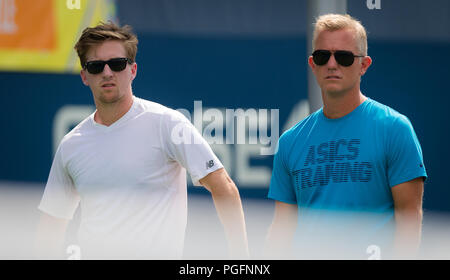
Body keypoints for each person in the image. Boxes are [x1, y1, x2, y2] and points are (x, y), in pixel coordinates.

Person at [35, 22, 249, 259]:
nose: (107, 73)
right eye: (96, 66)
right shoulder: (71, 144)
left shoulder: (168, 124)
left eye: (116, 64)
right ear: (85, 76)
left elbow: (224, 187)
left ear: (132, 70)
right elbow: (51, 227)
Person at [265, 14, 427, 259]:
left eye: (344, 57)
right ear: (312, 64)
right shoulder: (290, 141)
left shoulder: (395, 128)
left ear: (364, 65)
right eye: (322, 56)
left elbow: (410, 219)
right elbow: (282, 230)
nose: (332, 64)